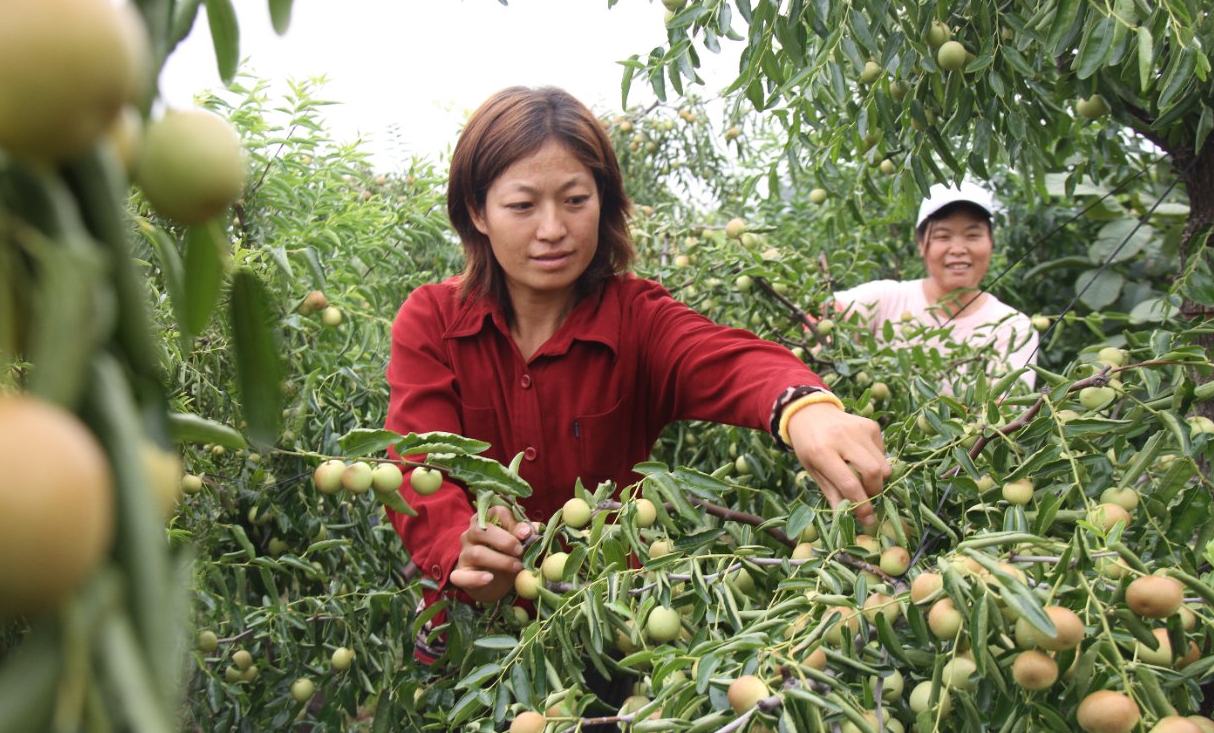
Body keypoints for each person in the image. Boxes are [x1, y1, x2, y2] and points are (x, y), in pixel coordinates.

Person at [381, 86, 889, 695]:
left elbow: (721, 356)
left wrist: (805, 409)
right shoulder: (433, 321)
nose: (552, 229)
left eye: (575, 200)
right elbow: (414, 463)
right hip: (473, 630)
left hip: (610, 625)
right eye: (522, 205)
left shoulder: (637, 319)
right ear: (478, 211)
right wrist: (459, 550)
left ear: (604, 203)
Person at [830, 182, 1039, 392]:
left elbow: (1003, 408)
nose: (958, 249)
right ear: (921, 245)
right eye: (943, 236)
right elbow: (823, 316)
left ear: (991, 242)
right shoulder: (885, 299)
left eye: (972, 236)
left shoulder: (1013, 328)